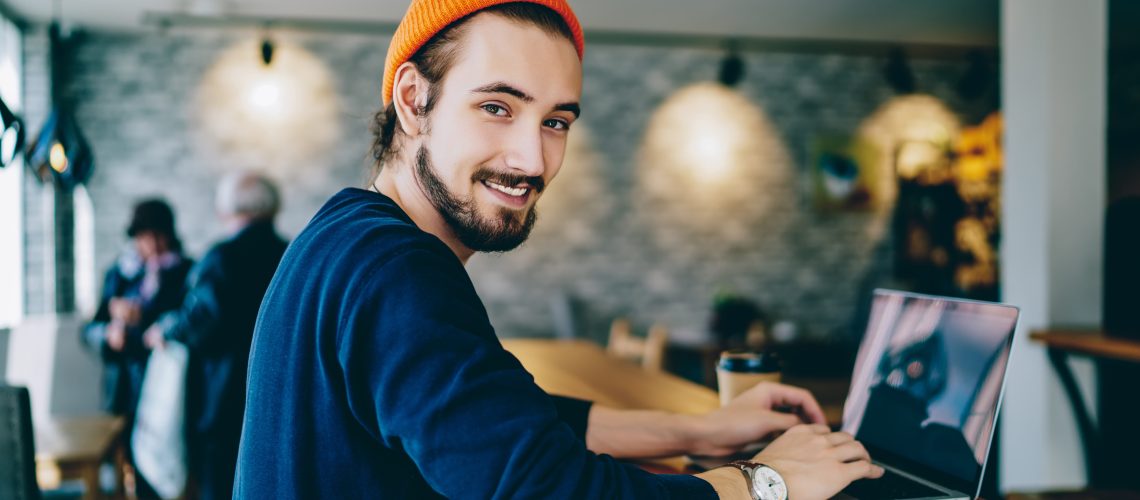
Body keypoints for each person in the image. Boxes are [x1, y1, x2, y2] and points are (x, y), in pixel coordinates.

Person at [236, 1, 884, 499]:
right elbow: (547, 488)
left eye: (555, 122)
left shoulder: (347, 230)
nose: (532, 159)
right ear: (414, 100)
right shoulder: (396, 270)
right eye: (496, 107)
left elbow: (502, 427)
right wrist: (769, 482)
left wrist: (699, 432)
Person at [143, 172, 288, 500]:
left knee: (221, 486)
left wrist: (165, 330)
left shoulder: (222, 258)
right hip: (275, 391)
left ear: (228, 210)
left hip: (221, 400)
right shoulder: (289, 253)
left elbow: (201, 319)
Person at [83, 198, 194, 498]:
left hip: (167, 390)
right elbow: (90, 330)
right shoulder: (119, 275)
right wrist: (109, 333)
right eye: (146, 237)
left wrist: (146, 320)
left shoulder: (187, 273)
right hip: (125, 391)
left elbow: (189, 324)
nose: (154, 244)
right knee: (130, 470)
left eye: (159, 236)